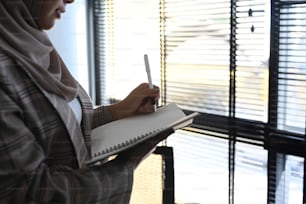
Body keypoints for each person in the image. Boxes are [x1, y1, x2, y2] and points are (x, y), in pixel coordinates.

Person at [0, 0, 174, 203]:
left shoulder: (34, 46)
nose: (71, 0)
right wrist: (127, 163)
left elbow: (61, 128)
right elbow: (30, 193)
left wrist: (117, 111)